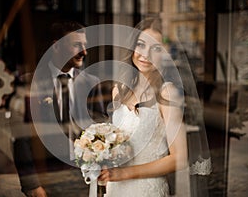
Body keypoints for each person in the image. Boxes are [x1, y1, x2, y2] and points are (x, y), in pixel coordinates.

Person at [98, 17, 211, 196]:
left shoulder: (167, 94)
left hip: (146, 189)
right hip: (116, 187)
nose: (146, 54)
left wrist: (124, 173)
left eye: (156, 48)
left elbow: (179, 158)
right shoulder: (119, 90)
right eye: (141, 44)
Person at [13, 20, 107, 197]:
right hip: (46, 177)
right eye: (76, 45)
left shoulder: (92, 83)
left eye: (85, 45)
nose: (84, 52)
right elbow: (21, 139)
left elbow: (100, 131)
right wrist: (31, 184)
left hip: (85, 177)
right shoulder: (30, 83)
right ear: (56, 46)